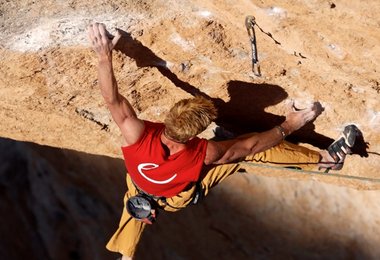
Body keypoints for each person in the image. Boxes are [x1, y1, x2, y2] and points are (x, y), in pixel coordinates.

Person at [88, 23, 358, 260]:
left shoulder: (135, 134)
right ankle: (326, 160)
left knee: (134, 202)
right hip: (177, 195)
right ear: (194, 137)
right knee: (248, 153)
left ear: (169, 119)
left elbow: (112, 100)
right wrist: (289, 125)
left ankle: (126, 255)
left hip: (141, 186)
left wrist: (103, 56)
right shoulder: (206, 154)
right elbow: (250, 147)